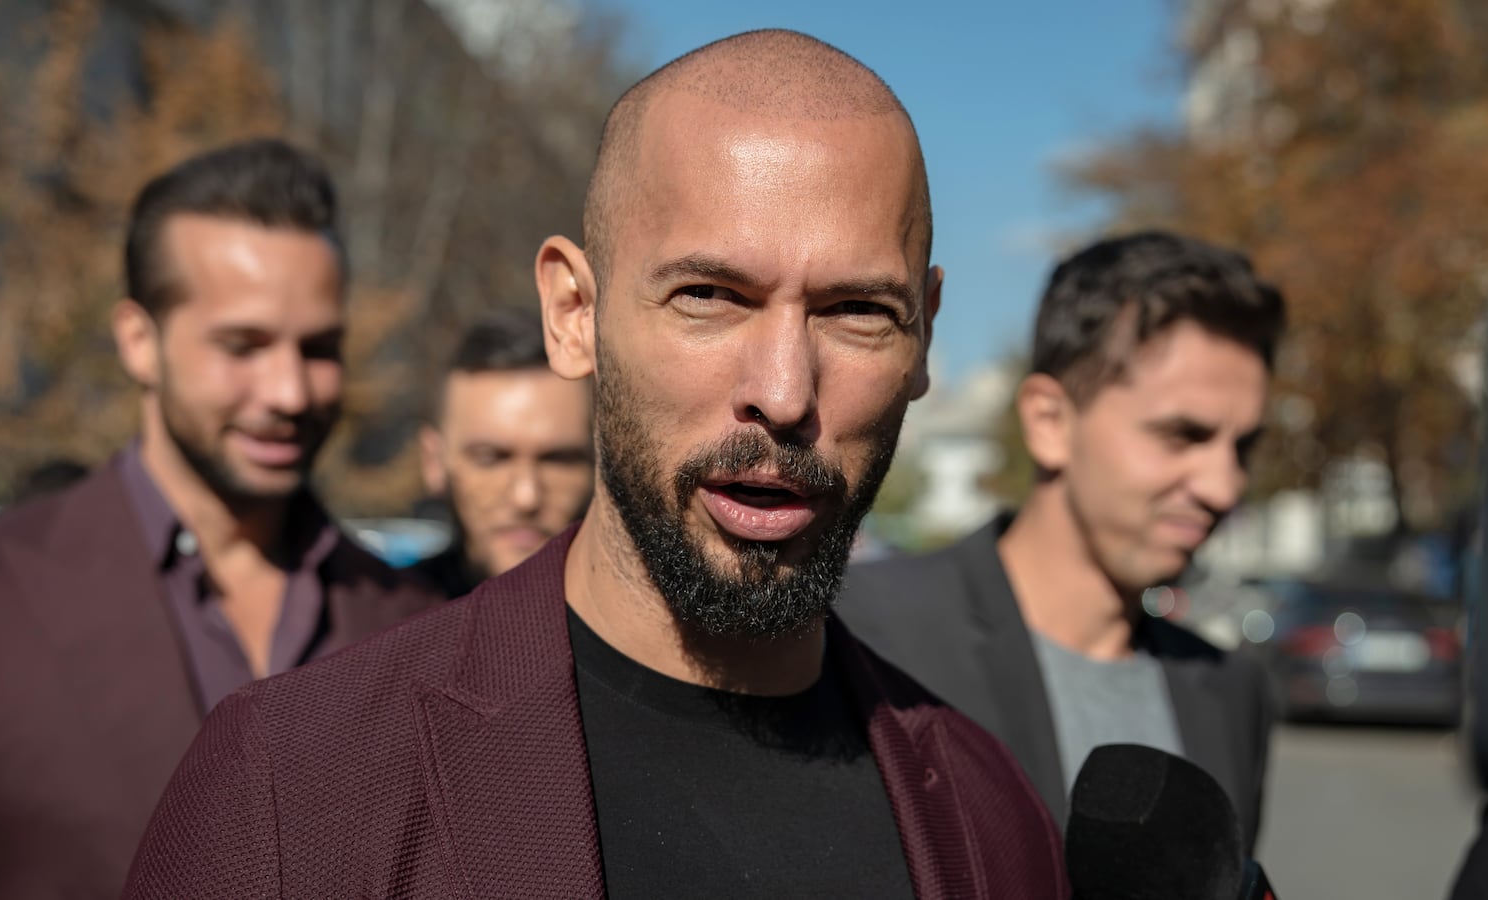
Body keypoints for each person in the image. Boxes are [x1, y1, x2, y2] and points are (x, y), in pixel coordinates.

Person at [120, 30, 1067, 899]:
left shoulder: (990, 821)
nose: (783, 393)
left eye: (857, 311)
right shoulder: (297, 789)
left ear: (926, 338)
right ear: (574, 313)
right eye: (709, 296)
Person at [0, 139, 440, 899]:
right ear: (139, 341)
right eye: (243, 345)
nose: (289, 390)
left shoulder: (413, 617)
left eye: (319, 348)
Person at [838, 230, 1285, 850]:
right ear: (1050, 422)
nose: (1224, 485)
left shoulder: (1232, 691)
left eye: (1244, 447)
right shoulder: (861, 634)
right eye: (1182, 435)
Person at [410, 306, 593, 596]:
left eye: (558, 460)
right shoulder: (391, 626)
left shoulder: (655, 631)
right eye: (490, 459)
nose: (526, 497)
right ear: (434, 461)